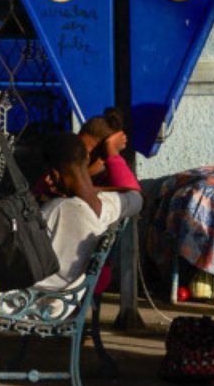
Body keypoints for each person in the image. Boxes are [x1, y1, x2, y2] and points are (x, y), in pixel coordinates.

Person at [25, 131, 145, 306]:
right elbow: (137, 196)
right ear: (87, 158)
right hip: (68, 302)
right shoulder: (108, 207)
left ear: (53, 174)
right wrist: (110, 157)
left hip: (35, 304)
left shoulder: (56, 210)